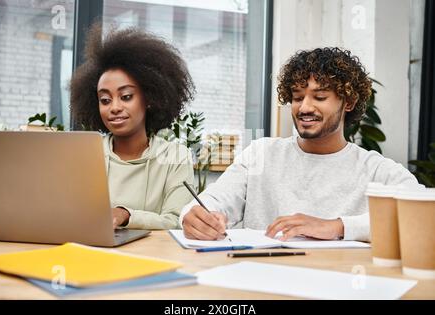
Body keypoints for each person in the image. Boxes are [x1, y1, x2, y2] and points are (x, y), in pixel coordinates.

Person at [180, 47, 420, 242]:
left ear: (348, 102)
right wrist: (193, 217)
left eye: (320, 97)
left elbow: (421, 215)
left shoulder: (376, 170)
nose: (304, 107)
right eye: (296, 97)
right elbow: (213, 200)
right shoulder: (261, 154)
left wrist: (337, 227)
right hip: (261, 281)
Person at [70, 24, 195, 230]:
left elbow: (176, 222)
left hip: (153, 258)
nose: (115, 108)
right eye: (105, 99)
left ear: (149, 98)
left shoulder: (175, 156)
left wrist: (126, 215)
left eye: (126, 97)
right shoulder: (86, 153)